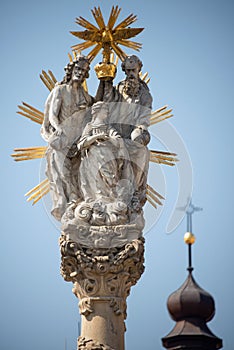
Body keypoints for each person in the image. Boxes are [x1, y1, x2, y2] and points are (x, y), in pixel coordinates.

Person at [95, 55, 152, 210]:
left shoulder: (145, 95)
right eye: (127, 71)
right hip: (113, 133)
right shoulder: (119, 88)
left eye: (133, 70)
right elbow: (106, 105)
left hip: (132, 136)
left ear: (139, 69)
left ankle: (132, 193)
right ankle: (107, 191)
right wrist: (106, 81)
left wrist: (140, 130)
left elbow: (144, 118)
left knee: (141, 151)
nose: (130, 74)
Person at [41, 55, 94, 221]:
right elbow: (52, 115)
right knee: (63, 172)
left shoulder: (85, 97)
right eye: (78, 69)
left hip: (78, 140)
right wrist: (58, 130)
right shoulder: (60, 90)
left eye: (84, 71)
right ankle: (70, 200)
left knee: (78, 173)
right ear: (71, 70)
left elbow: (98, 108)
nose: (80, 72)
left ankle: (78, 199)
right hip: (62, 137)